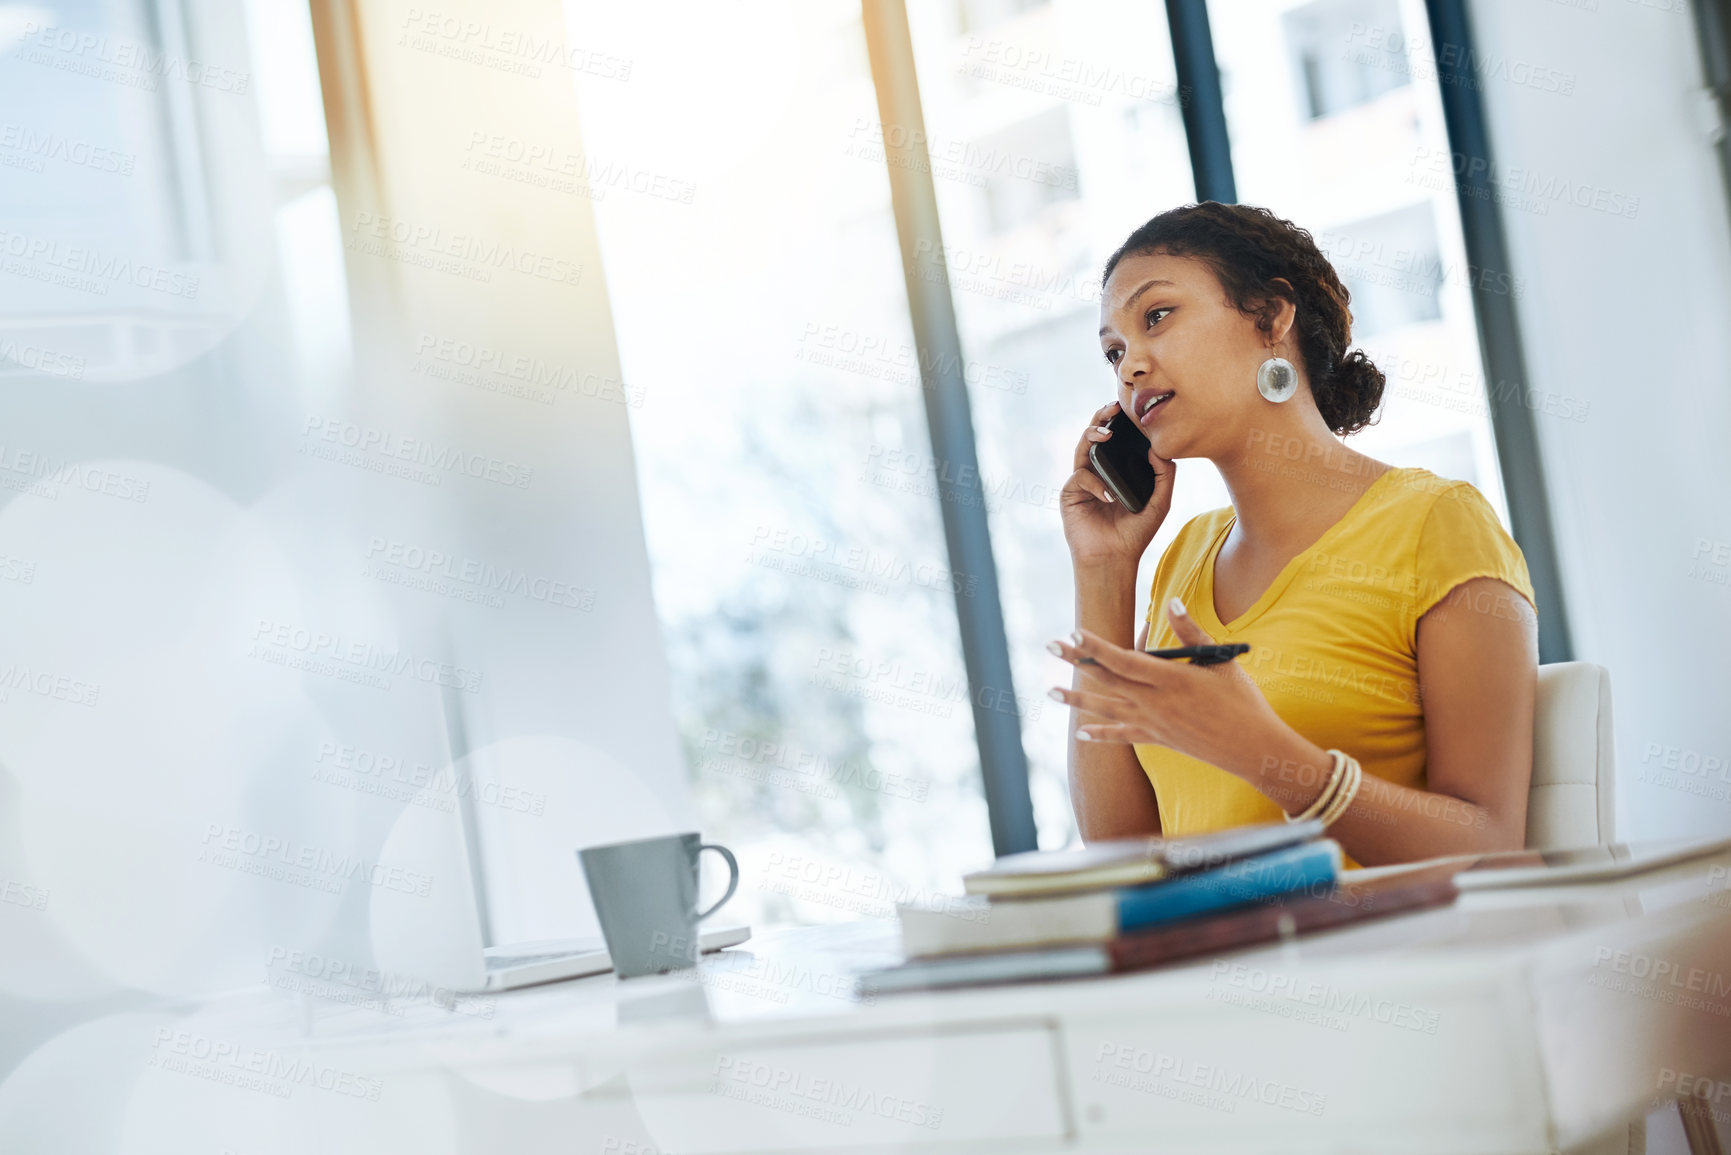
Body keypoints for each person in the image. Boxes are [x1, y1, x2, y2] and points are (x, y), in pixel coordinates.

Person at [1049, 202, 1538, 869]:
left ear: (1270, 317)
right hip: (1212, 967)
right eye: (1113, 350)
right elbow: (1123, 851)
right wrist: (1103, 570)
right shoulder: (1182, 561)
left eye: (1156, 316)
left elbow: (1491, 847)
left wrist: (1262, 752)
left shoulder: (1434, 523)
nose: (1130, 365)